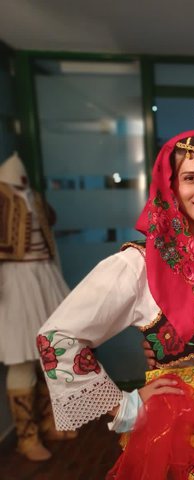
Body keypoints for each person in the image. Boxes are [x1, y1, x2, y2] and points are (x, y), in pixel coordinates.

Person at [37, 131, 194, 479]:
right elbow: (55, 337)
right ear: (170, 189)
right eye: (190, 178)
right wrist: (123, 406)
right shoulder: (138, 265)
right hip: (179, 434)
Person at [0, 152, 76, 462]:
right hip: (13, 282)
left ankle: (50, 420)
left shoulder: (36, 197)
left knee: (52, 354)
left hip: (45, 277)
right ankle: (26, 436)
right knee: (21, 358)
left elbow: (49, 239)